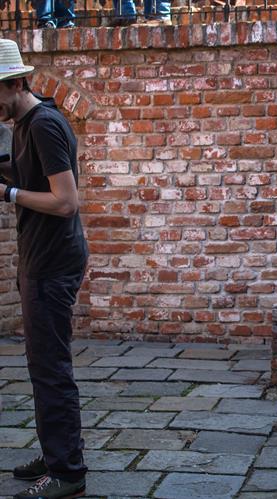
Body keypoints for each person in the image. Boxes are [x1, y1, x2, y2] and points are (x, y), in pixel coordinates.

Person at [0, 39, 88, 499]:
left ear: (15, 82)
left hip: (53, 261)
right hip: (41, 256)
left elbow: (65, 201)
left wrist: (9, 195)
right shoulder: (21, 123)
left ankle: (68, 472)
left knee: (50, 367)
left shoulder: (44, 125)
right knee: (42, 364)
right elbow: (26, 175)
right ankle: (56, 452)